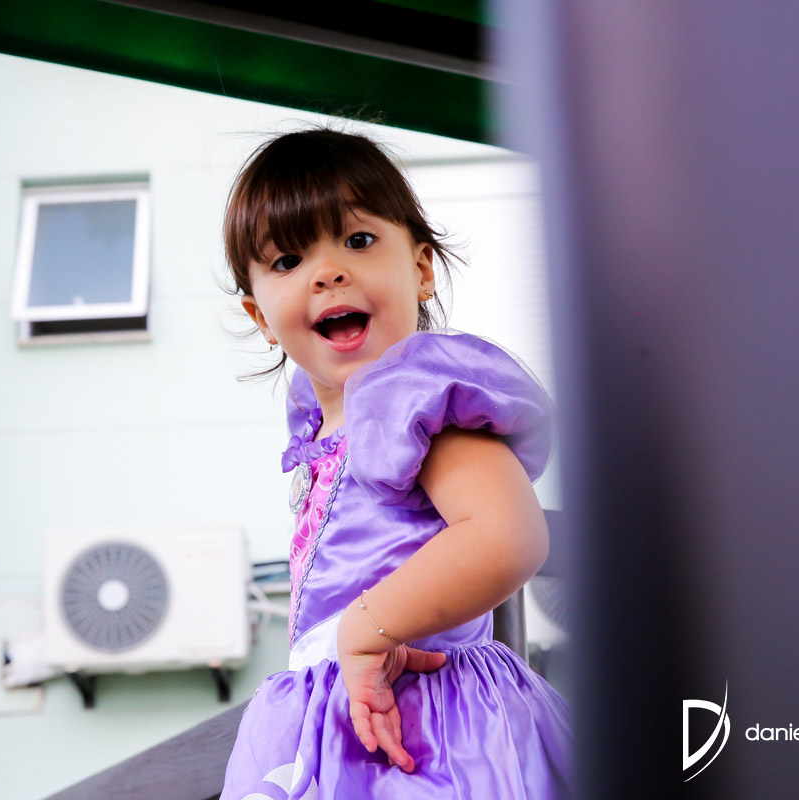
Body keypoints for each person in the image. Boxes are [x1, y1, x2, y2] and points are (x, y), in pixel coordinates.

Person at [219, 127, 573, 799]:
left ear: (421, 268)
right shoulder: (325, 429)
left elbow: (509, 534)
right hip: (334, 723)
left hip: (430, 731)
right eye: (289, 259)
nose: (328, 272)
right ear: (259, 315)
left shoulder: (419, 397)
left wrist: (365, 627)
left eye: (357, 240)